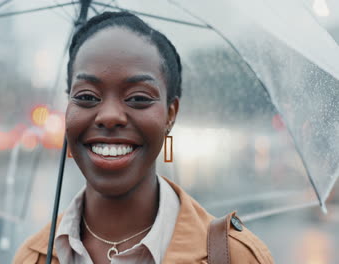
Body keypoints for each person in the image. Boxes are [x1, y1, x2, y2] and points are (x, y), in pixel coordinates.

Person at [14, 11, 273, 264]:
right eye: (87, 97)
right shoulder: (33, 257)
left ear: (170, 114)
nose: (110, 116)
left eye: (138, 98)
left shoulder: (236, 256)